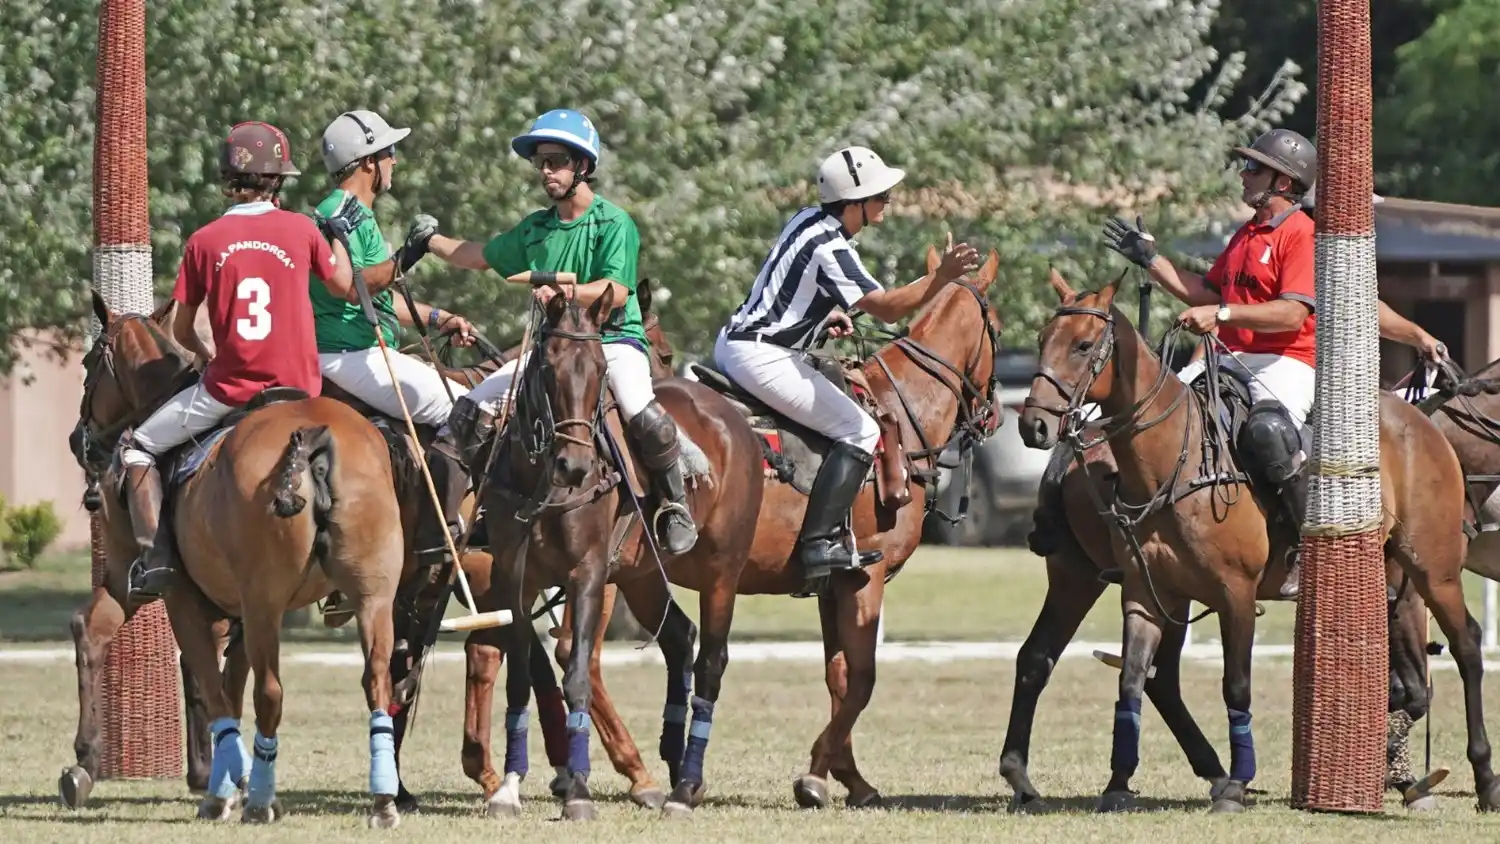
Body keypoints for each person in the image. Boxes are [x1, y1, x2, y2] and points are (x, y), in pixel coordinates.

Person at [1028, 127, 1446, 599]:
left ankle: (1305, 550)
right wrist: (1151, 259)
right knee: (1143, 419)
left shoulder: (1301, 236)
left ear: (1283, 182)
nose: (1243, 175)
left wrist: (1222, 314)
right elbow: (1204, 292)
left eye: (1254, 168)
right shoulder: (1246, 233)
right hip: (1227, 358)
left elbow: (1292, 312)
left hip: (1286, 361)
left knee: (1267, 434)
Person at [416, 108, 700, 556]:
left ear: (583, 167)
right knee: (474, 407)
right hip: (557, 349)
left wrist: (560, 287)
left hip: (612, 342)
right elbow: (479, 255)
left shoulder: (613, 222)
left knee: (637, 405)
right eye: (541, 162)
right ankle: (462, 521)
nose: (546, 171)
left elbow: (619, 291)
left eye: (556, 161)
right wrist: (429, 242)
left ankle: (674, 504)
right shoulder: (537, 227)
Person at [711, 145, 981, 595]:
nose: (887, 201)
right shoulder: (831, 245)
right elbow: (889, 310)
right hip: (763, 357)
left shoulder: (807, 220)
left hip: (736, 344)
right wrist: (942, 277)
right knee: (861, 431)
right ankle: (819, 544)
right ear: (854, 202)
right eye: (880, 195)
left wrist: (821, 315)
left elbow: (786, 288)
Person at [121, 122, 353, 602]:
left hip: (231, 390)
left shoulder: (205, 240)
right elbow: (342, 286)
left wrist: (209, 358)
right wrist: (341, 240)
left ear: (229, 179)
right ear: (278, 180)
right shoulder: (302, 230)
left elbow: (181, 330)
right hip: (299, 389)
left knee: (138, 447)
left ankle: (158, 557)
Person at [311, 109, 480, 607]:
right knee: (464, 409)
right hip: (345, 354)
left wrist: (438, 317)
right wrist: (411, 252)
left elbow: (383, 299)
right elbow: (349, 287)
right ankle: (436, 532)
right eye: (387, 153)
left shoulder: (358, 215)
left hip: (364, 347)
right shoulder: (333, 213)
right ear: (367, 163)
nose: (394, 161)